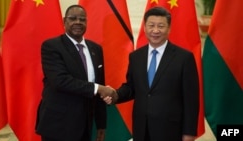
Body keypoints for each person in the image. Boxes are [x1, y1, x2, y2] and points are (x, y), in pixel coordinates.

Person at [104, 6, 199, 141]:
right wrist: (115, 94)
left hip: (171, 131)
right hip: (142, 129)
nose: (155, 30)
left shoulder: (184, 58)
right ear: (145, 28)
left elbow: (191, 100)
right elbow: (131, 87)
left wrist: (189, 133)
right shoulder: (136, 57)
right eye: (151, 25)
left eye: (161, 26)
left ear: (169, 28)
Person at [35, 5, 115, 141]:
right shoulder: (52, 46)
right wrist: (98, 88)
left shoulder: (96, 49)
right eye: (73, 18)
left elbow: (100, 86)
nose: (78, 22)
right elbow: (60, 81)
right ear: (64, 21)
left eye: (82, 19)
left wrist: (101, 125)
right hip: (58, 126)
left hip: (85, 126)